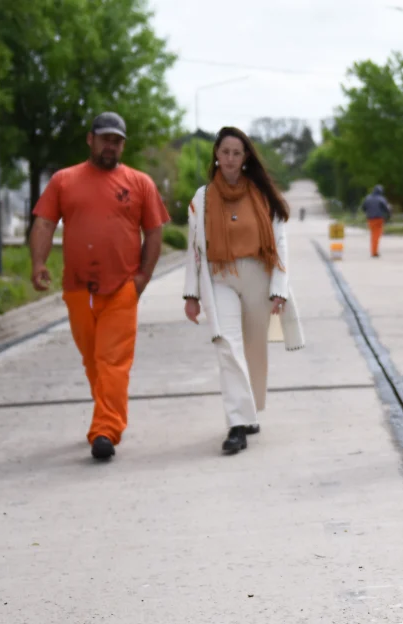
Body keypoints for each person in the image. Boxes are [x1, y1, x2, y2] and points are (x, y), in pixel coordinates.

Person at [30, 111, 170, 461]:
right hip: (77, 288)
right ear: (90, 139)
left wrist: (142, 279)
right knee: (93, 360)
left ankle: (106, 430)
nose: (111, 146)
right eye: (105, 138)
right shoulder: (64, 180)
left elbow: (154, 232)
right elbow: (45, 223)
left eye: (118, 140)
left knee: (112, 361)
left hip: (122, 286)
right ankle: (105, 411)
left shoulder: (140, 183)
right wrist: (38, 263)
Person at [182, 126, 304, 455]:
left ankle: (250, 411)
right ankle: (237, 423)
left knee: (253, 350)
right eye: (225, 153)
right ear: (217, 157)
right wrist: (191, 294)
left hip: (258, 276)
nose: (231, 159)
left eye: (237, 153)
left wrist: (279, 286)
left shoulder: (263, 196)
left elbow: (280, 243)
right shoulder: (201, 198)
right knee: (226, 344)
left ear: (246, 156)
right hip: (219, 277)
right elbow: (194, 249)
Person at [361, 184, 391, 257]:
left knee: (373, 235)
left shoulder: (367, 198)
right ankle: (374, 252)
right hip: (379, 219)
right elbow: (386, 209)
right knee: (376, 235)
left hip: (370, 219)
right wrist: (388, 216)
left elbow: (363, 208)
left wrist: (368, 212)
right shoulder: (381, 198)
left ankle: (374, 251)